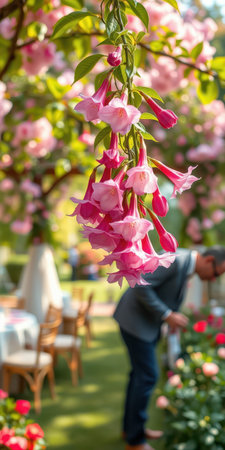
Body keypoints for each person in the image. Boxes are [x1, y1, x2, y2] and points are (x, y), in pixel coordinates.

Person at [113, 246, 225, 450]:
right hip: (134, 322)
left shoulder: (185, 264)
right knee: (147, 376)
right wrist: (167, 315)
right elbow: (140, 285)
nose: (213, 279)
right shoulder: (176, 260)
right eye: (217, 273)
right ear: (209, 261)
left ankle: (131, 430)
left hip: (142, 324)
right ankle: (135, 441)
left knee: (139, 376)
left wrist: (170, 318)